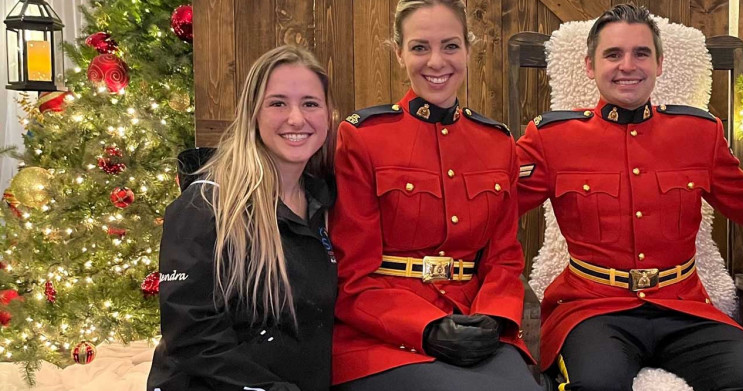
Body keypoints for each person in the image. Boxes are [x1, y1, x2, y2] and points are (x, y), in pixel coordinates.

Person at [514, 4, 743, 390]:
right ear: (589, 66)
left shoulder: (698, 133)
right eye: (613, 54)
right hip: (592, 308)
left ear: (659, 63)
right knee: (595, 385)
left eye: (641, 53)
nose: (628, 65)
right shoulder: (551, 138)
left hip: (684, 306)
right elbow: (491, 211)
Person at [328, 1, 539, 390]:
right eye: (420, 47)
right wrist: (425, 329)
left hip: (473, 320)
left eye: (451, 46)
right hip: (383, 335)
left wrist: (494, 316)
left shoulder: (497, 143)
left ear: (469, 50)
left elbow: (504, 258)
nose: (436, 61)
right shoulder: (363, 137)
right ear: (399, 53)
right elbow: (351, 274)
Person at [147, 45, 338, 391]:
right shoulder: (206, 205)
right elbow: (191, 333)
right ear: (252, 113)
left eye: (310, 103)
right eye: (278, 103)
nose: (296, 118)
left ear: (328, 115)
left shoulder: (326, 203)